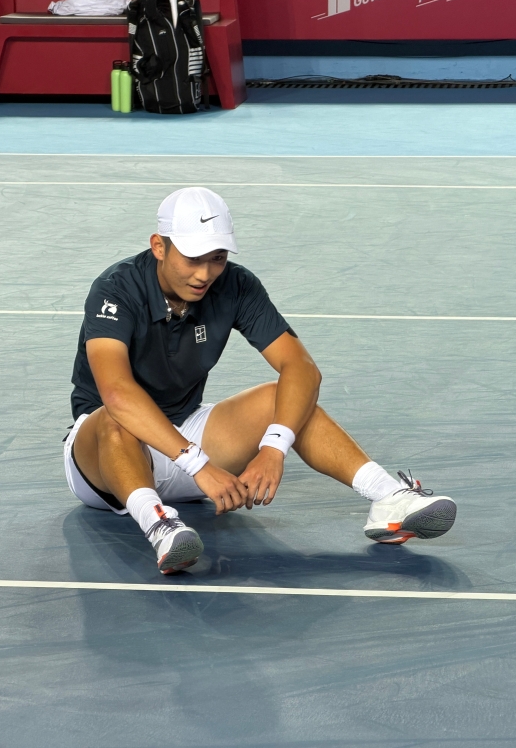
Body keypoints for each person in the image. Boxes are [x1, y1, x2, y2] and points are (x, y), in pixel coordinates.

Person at [64, 187, 457, 574]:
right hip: (106, 460)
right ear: (159, 246)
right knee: (115, 417)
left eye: (217, 259)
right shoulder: (116, 290)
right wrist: (199, 465)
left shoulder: (235, 286)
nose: (204, 274)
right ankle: (160, 525)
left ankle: (388, 497)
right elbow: (117, 393)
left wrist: (274, 447)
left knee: (282, 397)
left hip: (186, 434)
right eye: (193, 258)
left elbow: (301, 368)